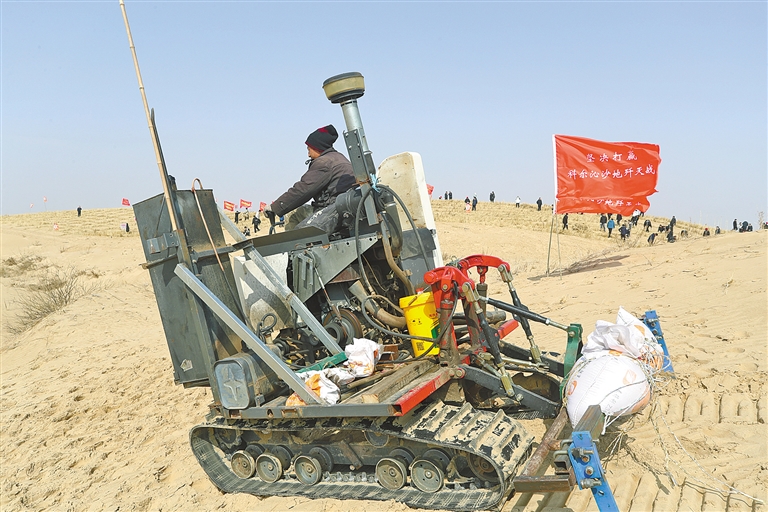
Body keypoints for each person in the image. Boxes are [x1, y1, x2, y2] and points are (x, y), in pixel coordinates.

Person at [264, 125, 356, 232]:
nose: (308, 155)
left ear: (318, 147)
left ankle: (296, 242)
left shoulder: (324, 163)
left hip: (331, 212)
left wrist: (275, 207)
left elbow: (303, 189)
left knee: (295, 215)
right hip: (344, 209)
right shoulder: (340, 158)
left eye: (309, 149)